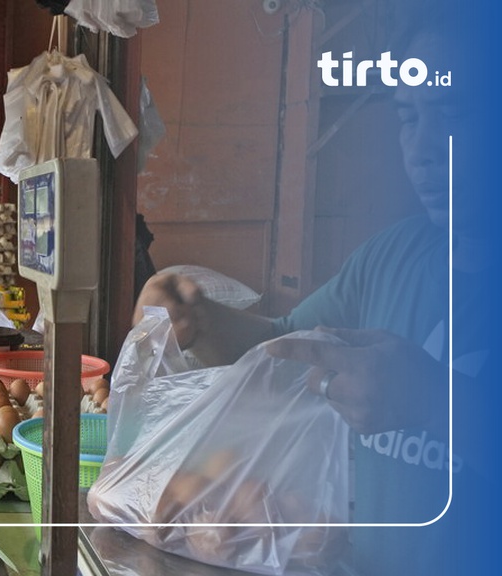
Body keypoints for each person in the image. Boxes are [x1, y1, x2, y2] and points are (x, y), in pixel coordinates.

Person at [134, 5, 492, 576]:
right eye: (407, 117)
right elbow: (283, 343)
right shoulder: (391, 257)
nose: (421, 148)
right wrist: (197, 319)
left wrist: (435, 402)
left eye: (450, 112)